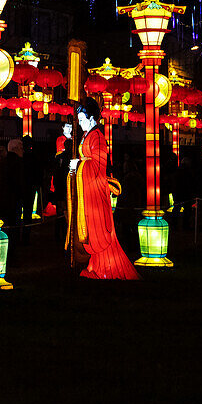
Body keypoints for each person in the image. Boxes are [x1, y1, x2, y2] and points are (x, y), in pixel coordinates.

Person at [70, 99, 138, 280]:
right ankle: (95, 264)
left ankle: (105, 267)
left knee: (99, 230)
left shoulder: (98, 137)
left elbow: (99, 166)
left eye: (83, 119)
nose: (80, 123)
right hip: (89, 191)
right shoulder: (87, 135)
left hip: (96, 191)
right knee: (91, 230)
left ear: (92, 118)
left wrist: (79, 164)